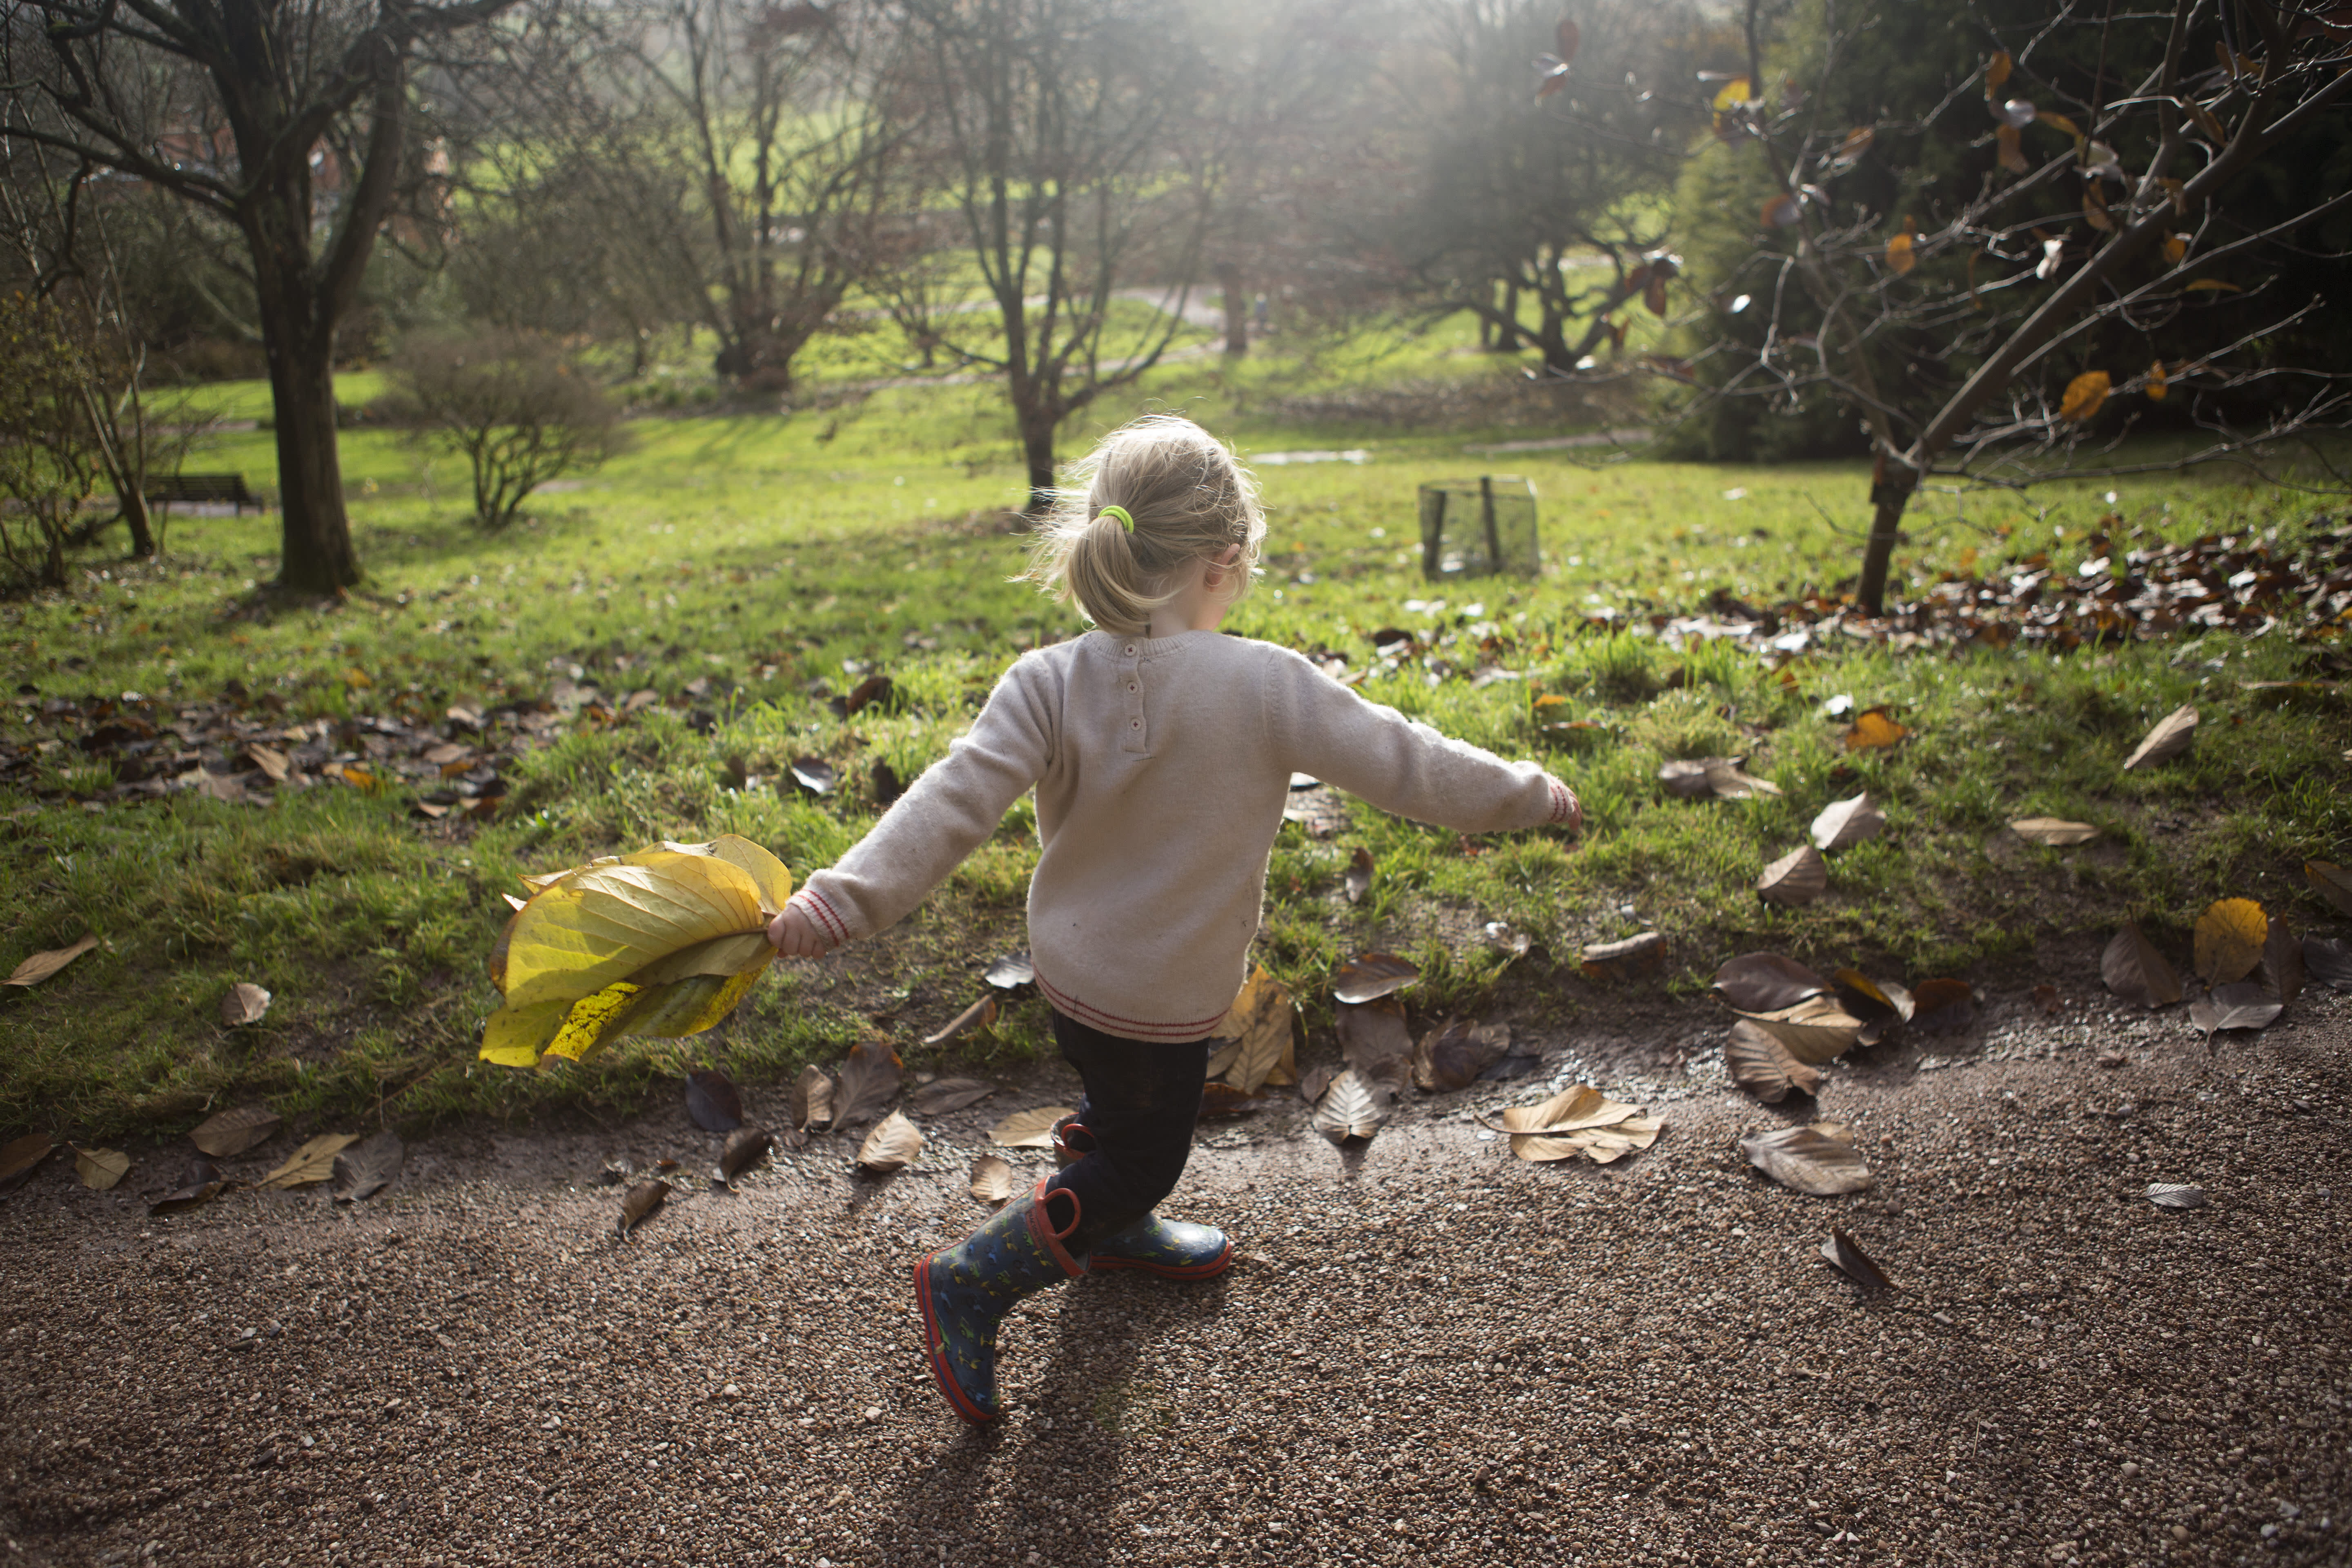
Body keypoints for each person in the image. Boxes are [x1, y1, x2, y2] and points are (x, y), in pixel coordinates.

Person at [765, 414, 1580, 1425]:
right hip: (1167, 991)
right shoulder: (1269, 685)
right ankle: (979, 1277)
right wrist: (1528, 792)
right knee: (1151, 1147)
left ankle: (1110, 1220)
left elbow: (948, 803)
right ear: (1225, 563)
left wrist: (838, 901)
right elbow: (1411, 763)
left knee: (1122, 1110)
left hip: (1070, 976)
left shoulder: (1047, 680)